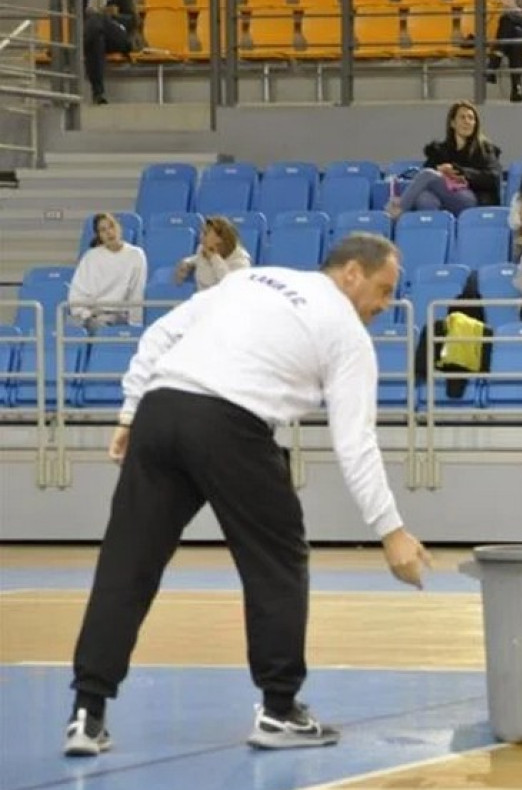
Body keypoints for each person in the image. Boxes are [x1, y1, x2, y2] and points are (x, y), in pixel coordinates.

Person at [63, 234, 432, 758]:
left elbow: (159, 334)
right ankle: (280, 711)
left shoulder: (248, 281)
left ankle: (86, 713)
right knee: (277, 564)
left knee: (126, 566)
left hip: (161, 410)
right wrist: (391, 531)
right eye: (384, 290)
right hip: (230, 426)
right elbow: (356, 443)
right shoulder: (346, 332)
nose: (384, 306)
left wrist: (130, 409)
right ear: (351, 272)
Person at [174, 216, 252, 291]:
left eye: (206, 233)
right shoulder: (202, 249)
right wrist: (187, 262)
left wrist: (214, 258)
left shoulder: (241, 260)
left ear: (220, 238)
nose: (201, 237)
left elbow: (229, 284)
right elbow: (197, 258)